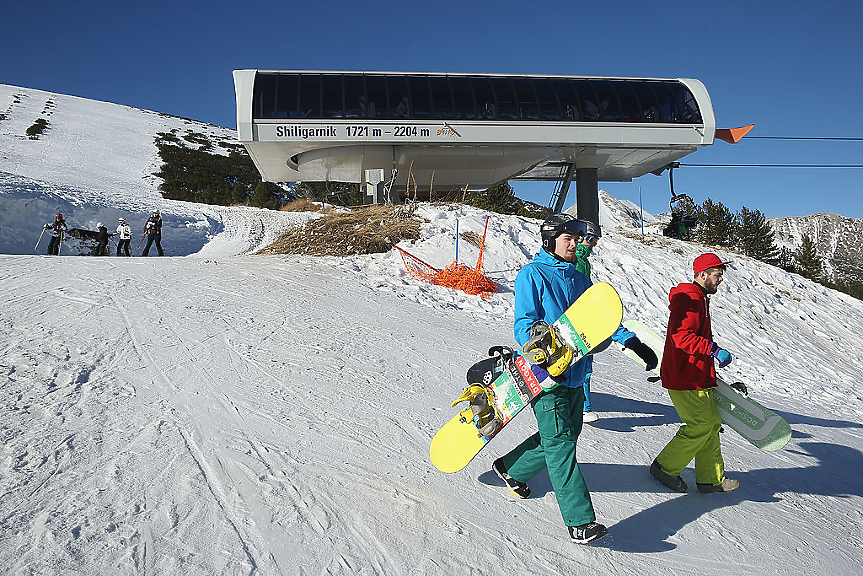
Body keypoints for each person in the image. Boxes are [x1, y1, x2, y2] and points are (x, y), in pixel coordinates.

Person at [491, 213, 644, 545]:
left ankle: (512, 468)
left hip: (576, 373)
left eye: (577, 238)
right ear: (550, 241)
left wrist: (628, 339)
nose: (576, 244)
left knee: (567, 433)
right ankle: (580, 521)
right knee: (561, 445)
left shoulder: (578, 278)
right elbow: (524, 322)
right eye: (568, 239)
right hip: (546, 376)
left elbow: (598, 318)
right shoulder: (532, 275)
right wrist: (536, 338)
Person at [649, 253, 740, 494]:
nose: (721, 279)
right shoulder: (689, 299)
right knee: (700, 424)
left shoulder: (699, 298)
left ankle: (710, 478)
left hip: (696, 373)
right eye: (717, 275)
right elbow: (682, 337)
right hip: (684, 375)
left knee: (711, 424)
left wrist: (711, 350)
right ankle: (665, 467)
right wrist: (712, 349)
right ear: (702, 274)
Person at [572, 221, 657, 423]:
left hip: (585, 322)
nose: (592, 246)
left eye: (595, 241)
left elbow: (597, 309)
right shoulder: (573, 263)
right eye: (589, 240)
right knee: (578, 367)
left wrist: (633, 343)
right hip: (574, 324)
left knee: (584, 367)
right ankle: (580, 408)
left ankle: (583, 407)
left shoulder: (582, 262)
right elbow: (594, 311)